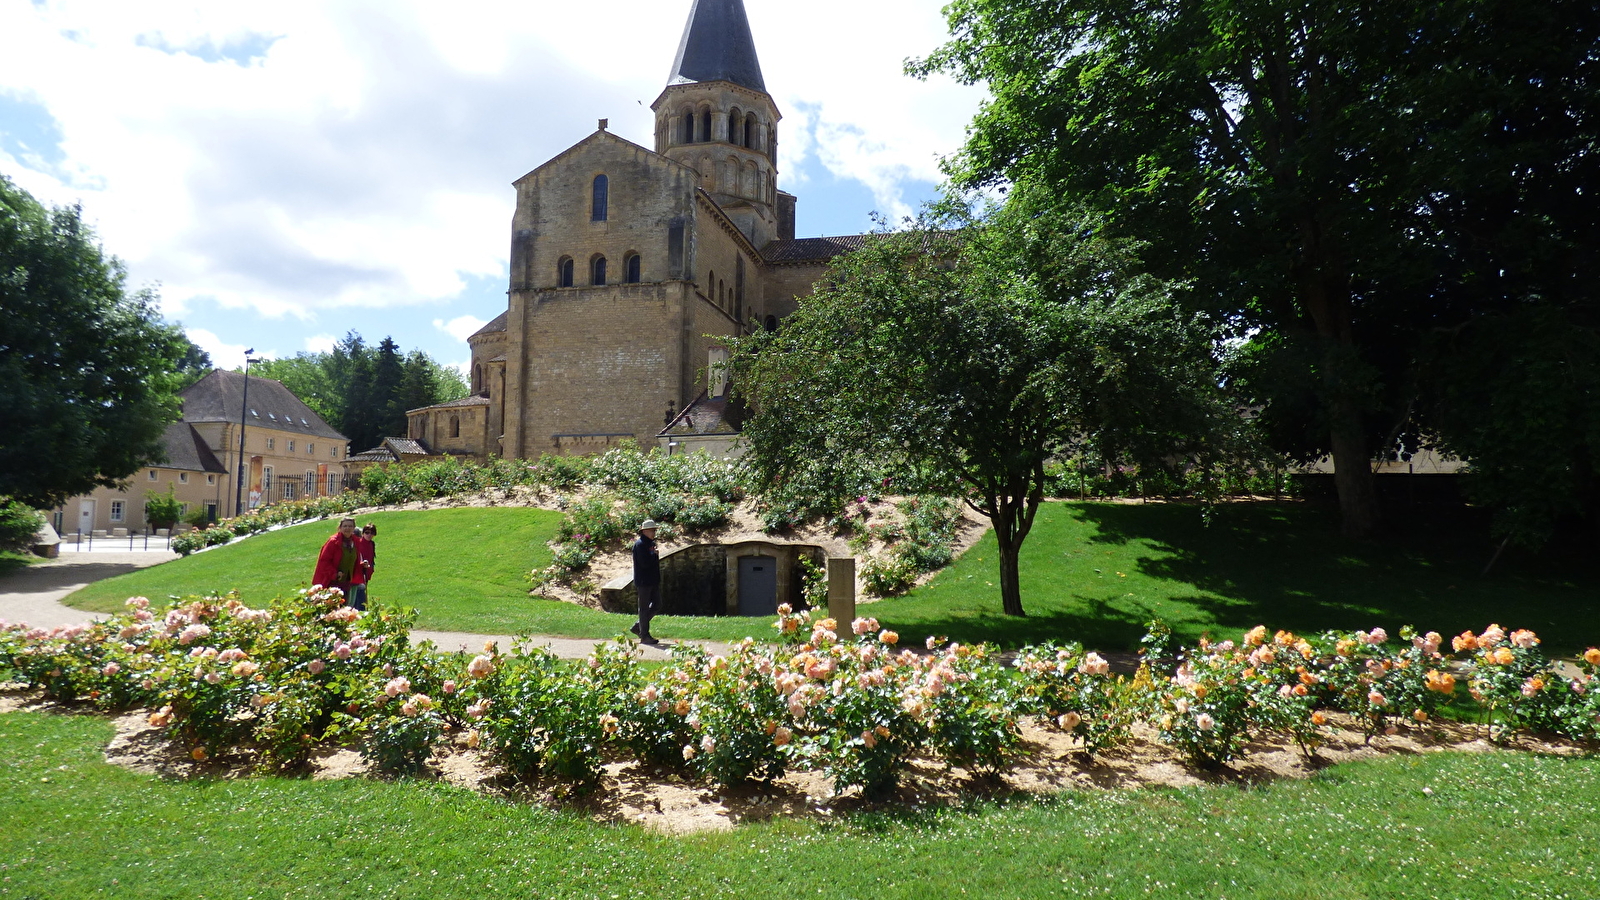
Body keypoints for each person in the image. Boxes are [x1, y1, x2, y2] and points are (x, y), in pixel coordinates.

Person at [311, 518, 368, 608]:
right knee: (331, 607)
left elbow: (352, 560)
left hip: (347, 582)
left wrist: (362, 565)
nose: (347, 528)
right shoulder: (333, 542)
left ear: (354, 528)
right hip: (332, 582)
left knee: (344, 607)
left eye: (350, 526)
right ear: (340, 528)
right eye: (345, 526)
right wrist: (335, 574)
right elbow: (324, 562)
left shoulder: (355, 541)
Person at [629, 519, 661, 644]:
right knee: (644, 608)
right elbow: (644, 563)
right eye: (652, 530)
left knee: (657, 605)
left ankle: (639, 626)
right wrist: (655, 555)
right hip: (644, 581)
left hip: (653, 580)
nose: (654, 533)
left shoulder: (650, 544)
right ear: (645, 531)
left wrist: (654, 555)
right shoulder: (640, 545)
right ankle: (644, 635)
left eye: (654, 530)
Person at [350, 523, 377, 611]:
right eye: (367, 532)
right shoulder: (358, 544)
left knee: (361, 594)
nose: (369, 535)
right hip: (358, 574)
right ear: (363, 533)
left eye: (372, 533)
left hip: (366, 573)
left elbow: (371, 558)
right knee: (359, 596)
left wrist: (370, 570)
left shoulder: (371, 544)